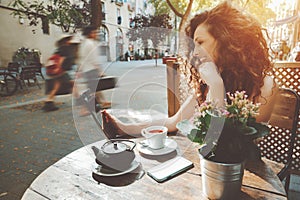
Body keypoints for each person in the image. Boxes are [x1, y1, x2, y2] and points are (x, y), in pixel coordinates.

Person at [101, 2, 278, 139]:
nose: (194, 52)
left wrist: (217, 86)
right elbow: (174, 122)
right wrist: (124, 128)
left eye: (200, 42)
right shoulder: (210, 80)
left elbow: (223, 145)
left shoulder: (264, 85)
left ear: (226, 42)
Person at [77, 25, 111, 115]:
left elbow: (81, 58)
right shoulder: (91, 43)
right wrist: (100, 71)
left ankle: (103, 102)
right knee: (92, 89)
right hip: (91, 69)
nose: (97, 34)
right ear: (90, 33)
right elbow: (93, 59)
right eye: (95, 32)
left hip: (86, 70)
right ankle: (84, 109)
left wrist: (80, 70)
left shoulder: (84, 43)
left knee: (95, 88)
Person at [43, 35, 78, 111]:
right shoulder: (65, 48)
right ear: (65, 40)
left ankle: (48, 101)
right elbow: (61, 59)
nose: (70, 41)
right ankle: (81, 101)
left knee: (56, 87)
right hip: (63, 71)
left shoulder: (58, 49)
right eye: (69, 39)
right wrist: (59, 68)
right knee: (73, 84)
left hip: (59, 71)